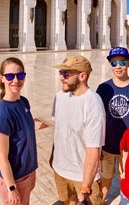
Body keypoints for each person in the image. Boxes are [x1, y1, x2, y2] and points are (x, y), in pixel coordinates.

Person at [51, 55, 106, 205]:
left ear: (82, 76)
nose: (61, 78)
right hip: (60, 169)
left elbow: (94, 151)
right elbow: (59, 131)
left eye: (66, 74)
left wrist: (85, 186)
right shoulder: (59, 96)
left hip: (82, 176)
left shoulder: (93, 104)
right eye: (60, 73)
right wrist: (52, 159)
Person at [96, 46, 129, 201]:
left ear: (128, 63)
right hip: (107, 146)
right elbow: (97, 119)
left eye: (122, 62)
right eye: (114, 63)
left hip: (128, 148)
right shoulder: (103, 88)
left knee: (127, 178)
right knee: (106, 178)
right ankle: (101, 201)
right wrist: (97, 146)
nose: (118, 66)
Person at [0, 57, 38, 205]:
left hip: (27, 174)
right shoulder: (2, 113)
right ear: (2, 78)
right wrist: (11, 187)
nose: (16, 80)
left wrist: (32, 171)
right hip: (14, 179)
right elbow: (2, 157)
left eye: (20, 75)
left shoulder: (23, 102)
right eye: (10, 76)